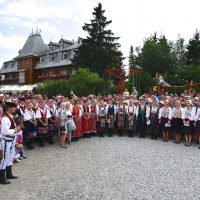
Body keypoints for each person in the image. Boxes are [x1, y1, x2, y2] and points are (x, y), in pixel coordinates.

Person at [0, 102, 21, 184]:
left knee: (10, 157)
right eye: (14, 107)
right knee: (5, 158)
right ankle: (1, 178)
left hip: (11, 140)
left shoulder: (9, 116)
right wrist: (15, 129)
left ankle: (9, 174)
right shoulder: (5, 118)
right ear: (9, 108)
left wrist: (17, 130)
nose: (15, 109)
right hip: (6, 140)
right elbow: (5, 131)